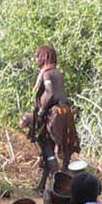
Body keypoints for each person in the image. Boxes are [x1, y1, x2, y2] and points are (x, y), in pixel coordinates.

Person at [28, 46, 80, 195]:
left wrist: (41, 111)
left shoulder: (46, 74)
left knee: (46, 146)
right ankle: (43, 184)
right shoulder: (57, 73)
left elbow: (50, 93)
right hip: (64, 112)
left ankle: (58, 183)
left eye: (38, 56)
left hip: (53, 114)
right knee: (50, 147)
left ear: (45, 57)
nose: (36, 59)